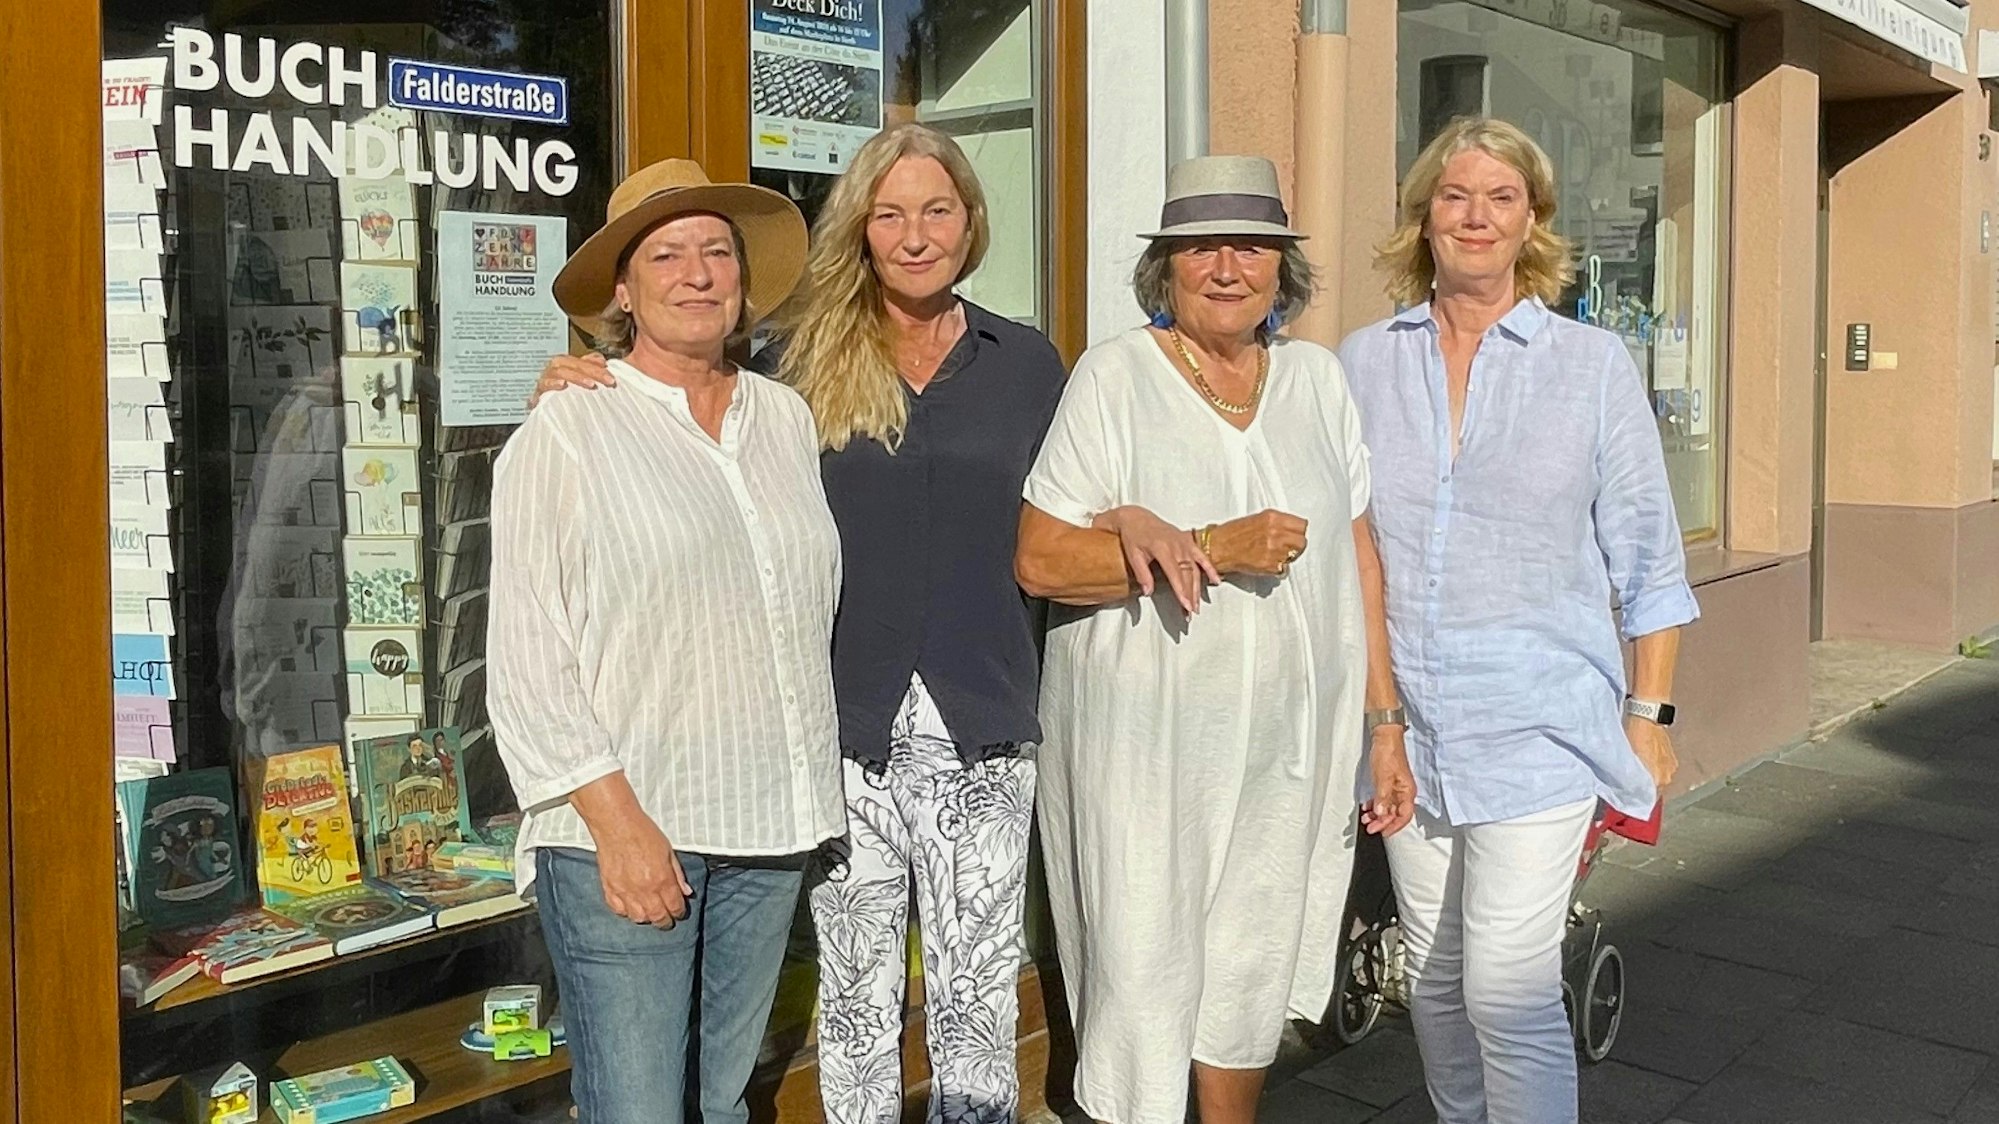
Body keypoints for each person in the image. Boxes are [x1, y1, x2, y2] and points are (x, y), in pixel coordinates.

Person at [532, 123, 1067, 1124]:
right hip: (842, 727)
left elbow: (1078, 506)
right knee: (856, 1002)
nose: (915, 235)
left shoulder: (1028, 363)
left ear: (970, 222)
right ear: (859, 230)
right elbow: (670, 397)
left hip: (983, 720)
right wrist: (571, 375)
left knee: (978, 996)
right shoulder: (793, 364)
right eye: (890, 213)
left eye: (937, 210)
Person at [1013, 155, 1416, 1124]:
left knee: (1252, 950)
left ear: (1283, 267)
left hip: (1286, 744)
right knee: (1142, 969)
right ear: (1167, 267)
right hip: (1146, 751)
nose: (1227, 266)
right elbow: (1040, 559)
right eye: (1201, 246)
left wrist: (1384, 720)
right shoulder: (1115, 377)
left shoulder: (1315, 381)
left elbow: (1358, 554)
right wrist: (1209, 545)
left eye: (1252, 245)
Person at [1336, 116, 1697, 1124]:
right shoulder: (1361, 363)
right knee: (1437, 980)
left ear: (1532, 219)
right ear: (1423, 217)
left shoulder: (1589, 365)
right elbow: (1351, 546)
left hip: (1541, 726)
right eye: (1455, 196)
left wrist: (1649, 716)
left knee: (1507, 983)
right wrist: (1379, 720)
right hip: (1406, 731)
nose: (1476, 216)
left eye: (1501, 198)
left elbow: (1647, 555)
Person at [487, 158, 843, 1124]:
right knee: (636, 1111)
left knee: (722, 1105)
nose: (697, 274)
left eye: (716, 252)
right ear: (623, 290)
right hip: (633, 831)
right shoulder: (568, 430)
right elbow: (526, 663)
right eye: (667, 255)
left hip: (769, 827)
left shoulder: (785, 417)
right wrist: (619, 827)